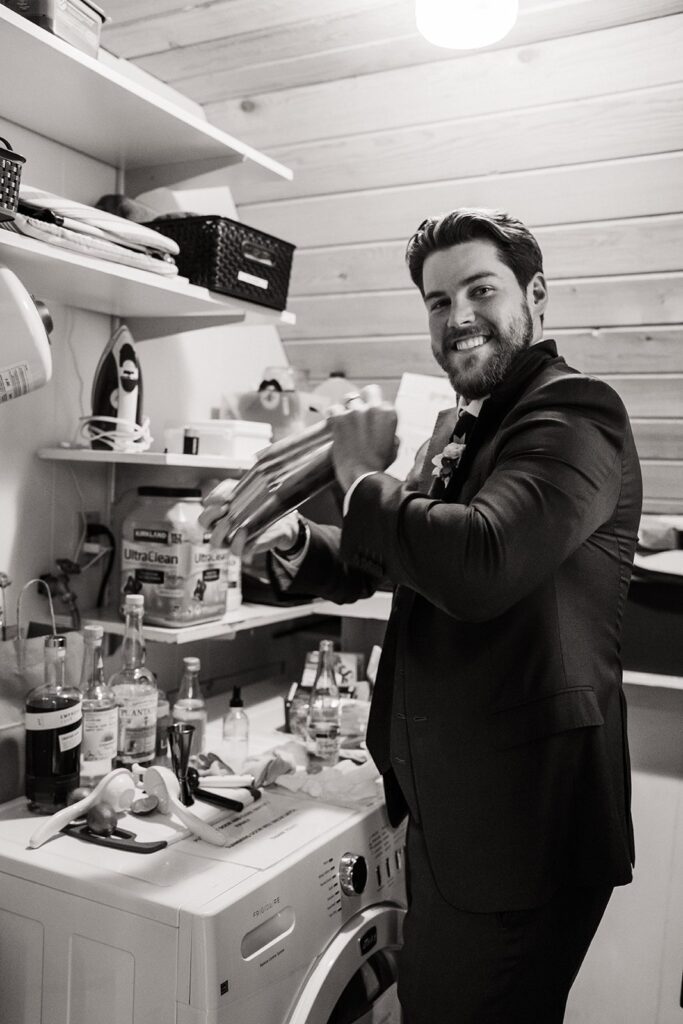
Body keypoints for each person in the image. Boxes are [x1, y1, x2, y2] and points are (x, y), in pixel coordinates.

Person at [200, 208, 642, 1023]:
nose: (457, 317)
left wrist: (365, 476)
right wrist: (297, 537)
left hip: (519, 835)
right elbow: (414, 561)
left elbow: (477, 564)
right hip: (460, 816)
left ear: (535, 296)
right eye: (438, 302)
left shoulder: (575, 415)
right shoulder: (470, 428)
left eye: (480, 290)